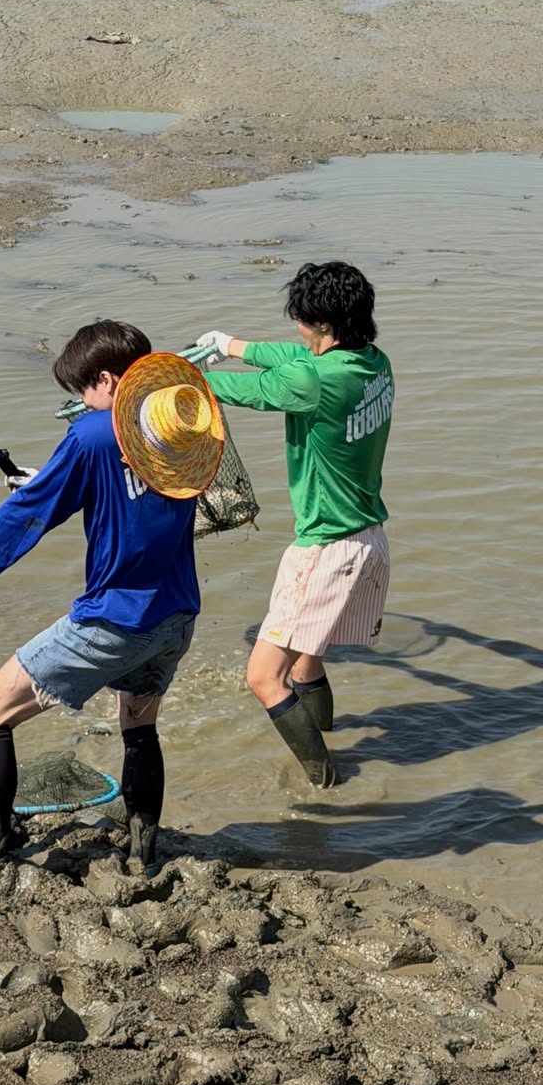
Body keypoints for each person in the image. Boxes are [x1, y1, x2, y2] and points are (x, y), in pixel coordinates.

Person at [0, 320, 226, 869]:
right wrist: (51, 477)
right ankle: (143, 852)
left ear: (106, 380)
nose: (82, 402)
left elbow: (27, 515)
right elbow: (132, 497)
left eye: (84, 390)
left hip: (116, 620)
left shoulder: (92, 434)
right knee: (138, 725)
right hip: (176, 615)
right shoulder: (177, 428)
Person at [197, 260, 393, 788]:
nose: (297, 329)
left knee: (264, 677)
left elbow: (246, 390)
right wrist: (232, 344)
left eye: (302, 321)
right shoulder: (373, 363)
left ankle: (326, 786)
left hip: (326, 549)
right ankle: (328, 745)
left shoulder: (312, 382)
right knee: (306, 664)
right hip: (369, 540)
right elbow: (296, 359)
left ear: (322, 325)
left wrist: (170, 380)